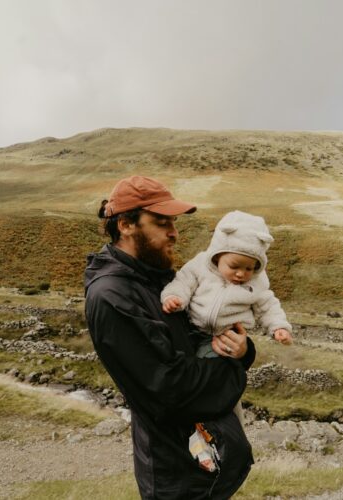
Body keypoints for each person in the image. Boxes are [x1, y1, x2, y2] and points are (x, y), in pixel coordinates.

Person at [84, 175, 256, 499]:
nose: (174, 233)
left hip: (205, 471)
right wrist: (234, 369)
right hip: (177, 477)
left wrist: (242, 349)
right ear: (125, 225)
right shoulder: (112, 296)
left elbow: (201, 334)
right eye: (161, 222)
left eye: (173, 222)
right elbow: (168, 390)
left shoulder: (159, 279)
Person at [160, 211, 292, 423]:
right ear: (218, 255)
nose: (241, 274)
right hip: (191, 329)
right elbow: (183, 281)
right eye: (234, 266)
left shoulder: (256, 283)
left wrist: (278, 327)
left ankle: (219, 423)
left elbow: (267, 305)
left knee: (215, 384)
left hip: (224, 339)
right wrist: (174, 297)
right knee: (190, 373)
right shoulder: (200, 266)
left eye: (249, 268)